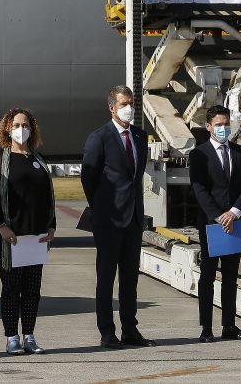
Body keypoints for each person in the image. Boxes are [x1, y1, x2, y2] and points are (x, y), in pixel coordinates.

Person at [81, 85, 156, 349]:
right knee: (106, 278)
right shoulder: (99, 138)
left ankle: (130, 330)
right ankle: (107, 331)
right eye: (124, 104)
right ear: (112, 107)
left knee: (130, 279)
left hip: (133, 219)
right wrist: (102, 208)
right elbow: (88, 178)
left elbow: (136, 177)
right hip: (109, 220)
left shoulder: (139, 136)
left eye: (132, 103)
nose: (129, 108)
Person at [0, 108, 56, 355]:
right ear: (6, 128)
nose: (21, 129)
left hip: (36, 237)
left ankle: (30, 336)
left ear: (32, 129)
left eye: (25, 125)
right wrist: (1, 225)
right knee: (12, 288)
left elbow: (48, 197)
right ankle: (12, 337)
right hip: (10, 237)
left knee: (33, 290)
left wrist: (52, 226)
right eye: (16, 125)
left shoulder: (38, 158)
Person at [188, 105, 241, 342]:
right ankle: (207, 327)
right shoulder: (199, 155)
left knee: (230, 277)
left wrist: (234, 213)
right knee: (207, 276)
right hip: (211, 225)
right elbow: (199, 189)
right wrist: (219, 216)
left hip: (234, 223)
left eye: (226, 124)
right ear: (208, 127)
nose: (223, 128)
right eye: (218, 124)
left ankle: (229, 326)